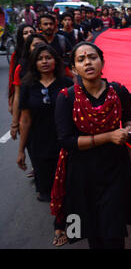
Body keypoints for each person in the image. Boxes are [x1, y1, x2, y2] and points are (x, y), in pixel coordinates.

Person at [53, 42, 131, 249]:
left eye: (92, 57)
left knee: (113, 231)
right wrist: (109, 136)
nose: (88, 62)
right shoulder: (66, 97)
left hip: (115, 168)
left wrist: (127, 130)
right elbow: (67, 141)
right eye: (81, 60)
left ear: (102, 62)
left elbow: (129, 118)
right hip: (82, 171)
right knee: (93, 231)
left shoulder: (118, 91)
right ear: (74, 69)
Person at [16, 44, 73, 246]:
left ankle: (62, 227)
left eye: (49, 57)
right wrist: (21, 150)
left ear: (55, 60)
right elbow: (25, 120)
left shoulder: (66, 83)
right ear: (35, 63)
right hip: (39, 145)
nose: (45, 61)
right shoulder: (28, 86)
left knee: (68, 186)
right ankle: (61, 219)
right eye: (40, 58)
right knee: (49, 188)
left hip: (66, 142)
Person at [10, 34, 48, 141]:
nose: (38, 47)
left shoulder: (57, 66)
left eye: (42, 44)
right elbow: (18, 97)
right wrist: (14, 123)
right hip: (31, 121)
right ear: (29, 48)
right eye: (35, 45)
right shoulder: (21, 69)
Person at [8, 24, 35, 115]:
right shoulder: (16, 55)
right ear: (21, 36)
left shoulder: (42, 53)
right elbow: (12, 79)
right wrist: (11, 100)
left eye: (31, 32)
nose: (29, 34)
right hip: (21, 93)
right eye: (25, 33)